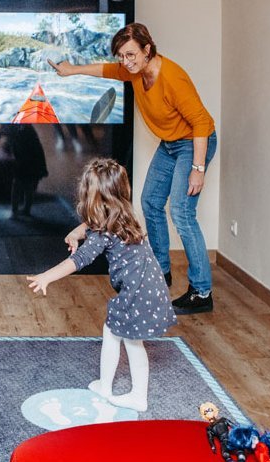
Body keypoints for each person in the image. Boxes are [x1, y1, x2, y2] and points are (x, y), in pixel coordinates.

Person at [51, 22, 218, 314]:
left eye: (131, 55)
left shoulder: (173, 78)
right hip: (170, 143)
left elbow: (201, 123)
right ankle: (161, 272)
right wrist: (72, 70)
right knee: (150, 202)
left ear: (147, 49)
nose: (126, 62)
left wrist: (198, 168)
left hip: (194, 143)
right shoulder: (135, 72)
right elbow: (106, 70)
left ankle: (201, 292)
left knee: (181, 213)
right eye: (121, 56)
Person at [27, 158, 176, 411]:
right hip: (149, 286)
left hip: (136, 294)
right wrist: (76, 233)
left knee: (132, 343)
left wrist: (46, 277)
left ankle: (138, 396)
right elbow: (92, 224)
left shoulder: (103, 231)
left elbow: (79, 259)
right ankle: (105, 385)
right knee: (113, 332)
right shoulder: (125, 214)